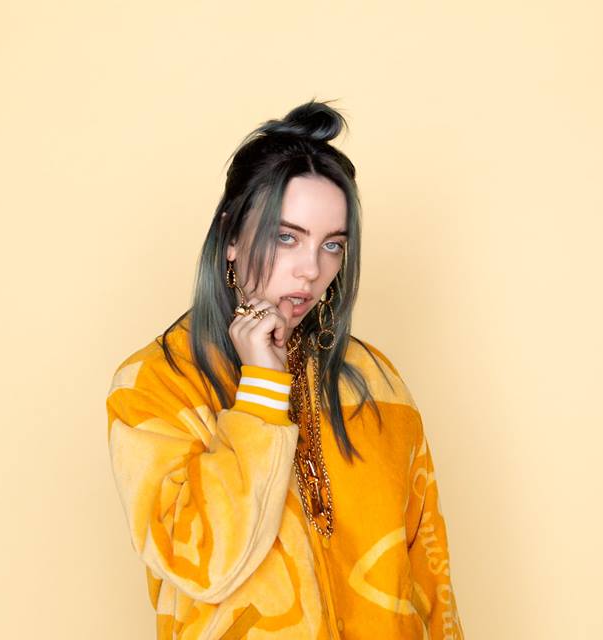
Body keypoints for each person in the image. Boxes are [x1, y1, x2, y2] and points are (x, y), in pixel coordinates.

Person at [105, 100, 465, 639]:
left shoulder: (377, 382)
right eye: (286, 236)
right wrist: (261, 390)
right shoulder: (155, 384)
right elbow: (205, 566)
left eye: (332, 245)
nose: (311, 269)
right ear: (230, 237)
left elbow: (431, 582)